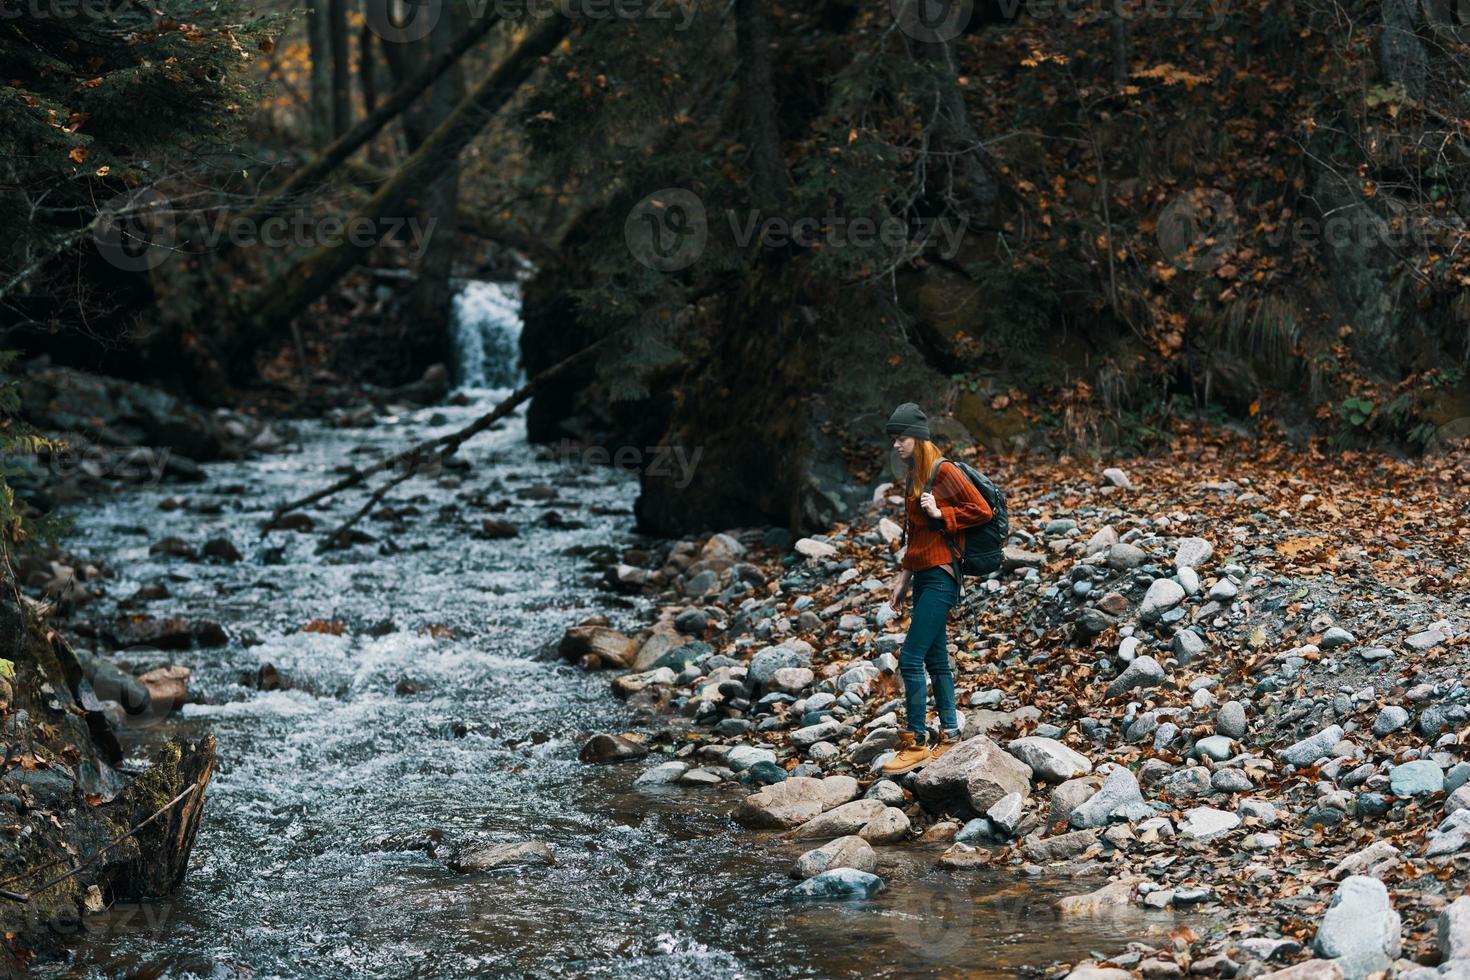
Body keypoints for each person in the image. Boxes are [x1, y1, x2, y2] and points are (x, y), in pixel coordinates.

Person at [881, 402, 993, 775]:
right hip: (923, 575)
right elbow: (915, 536)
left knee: (910, 658)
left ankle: (915, 742)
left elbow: (982, 510)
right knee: (934, 659)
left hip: (944, 575)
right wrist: (902, 580)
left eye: (901, 438)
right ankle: (948, 735)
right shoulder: (913, 476)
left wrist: (942, 514)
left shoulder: (944, 471)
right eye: (893, 439)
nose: (895, 445)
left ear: (919, 438)